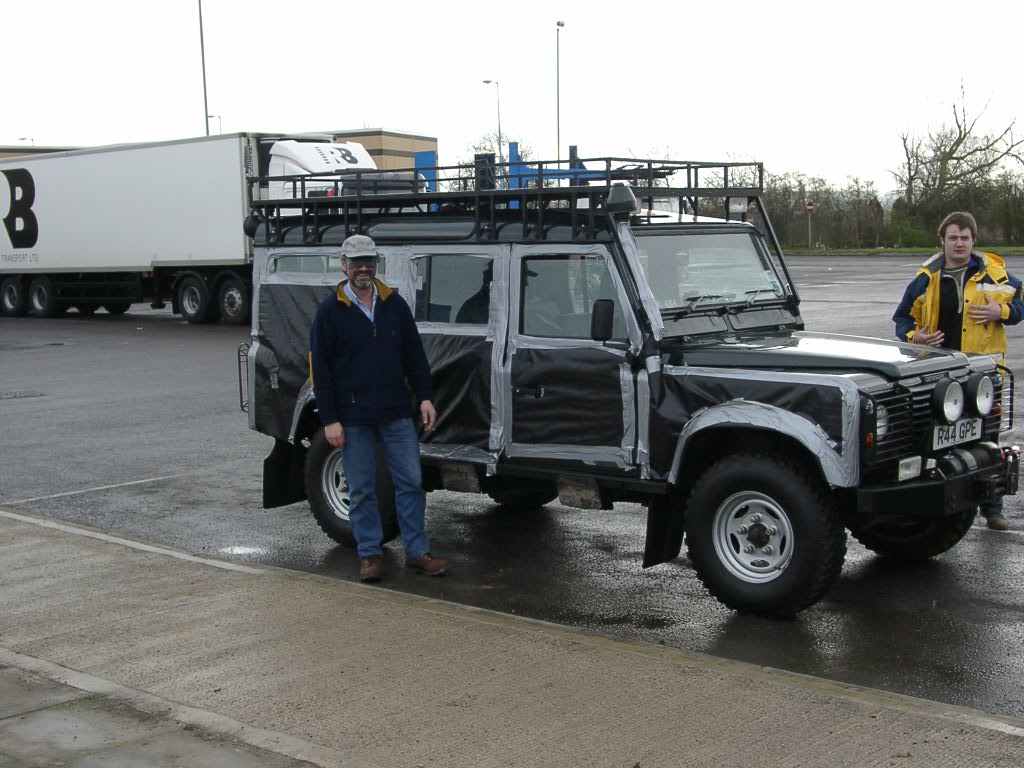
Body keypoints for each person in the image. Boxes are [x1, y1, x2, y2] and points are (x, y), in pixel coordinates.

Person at [310, 234, 447, 581]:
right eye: (356, 263)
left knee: (411, 483)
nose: (363, 268)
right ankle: (370, 554)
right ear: (344, 265)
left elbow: (414, 356)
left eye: (368, 262)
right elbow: (320, 371)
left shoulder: (394, 304)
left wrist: (425, 396)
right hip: (353, 417)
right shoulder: (329, 312)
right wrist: (330, 419)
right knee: (361, 489)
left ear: (375, 264)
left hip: (396, 413)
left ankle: (417, 552)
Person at [893, 211, 1023, 530]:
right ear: (942, 240)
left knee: (987, 439)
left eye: (965, 238)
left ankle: (992, 509)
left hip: (984, 373)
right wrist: (915, 336)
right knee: (938, 439)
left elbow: (1021, 306)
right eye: (953, 237)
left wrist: (1001, 310)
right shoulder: (926, 278)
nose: (959, 243)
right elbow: (902, 319)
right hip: (939, 374)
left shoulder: (996, 275)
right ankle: (941, 509)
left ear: (974, 240)